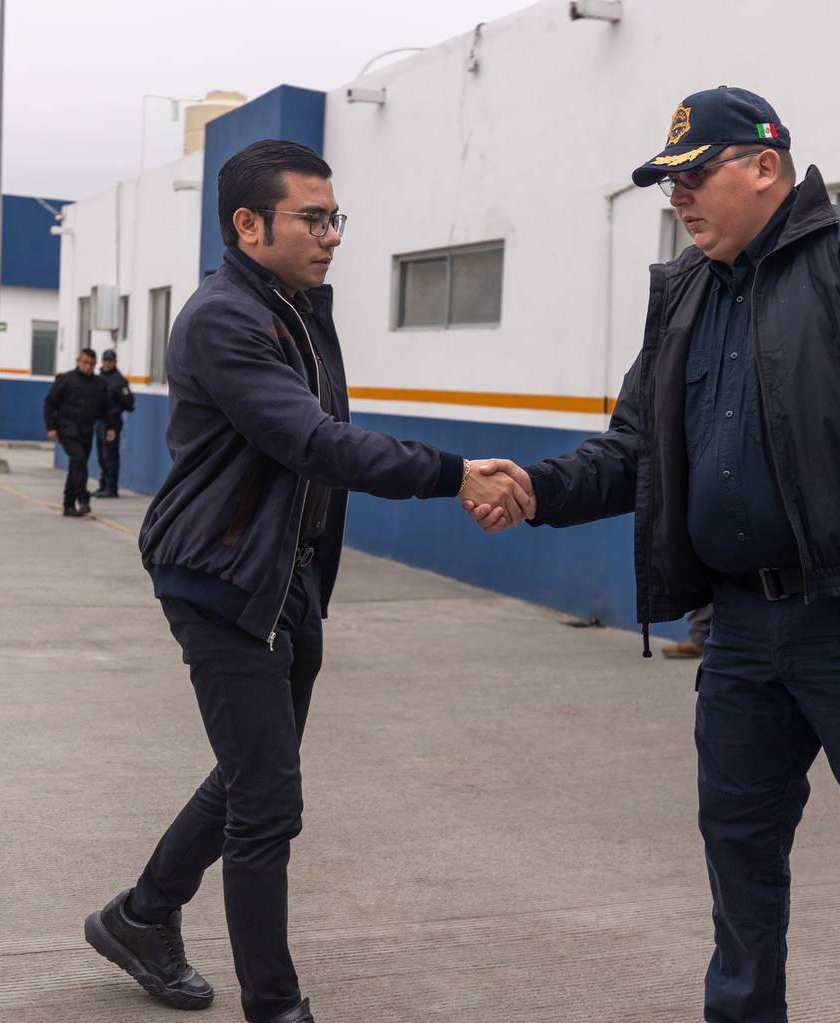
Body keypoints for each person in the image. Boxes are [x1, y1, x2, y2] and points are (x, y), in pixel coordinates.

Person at [468, 87, 840, 1022]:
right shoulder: (684, 294)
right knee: (739, 854)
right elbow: (637, 449)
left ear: (765, 167)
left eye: (693, 176)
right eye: (666, 184)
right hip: (740, 631)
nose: (677, 200)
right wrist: (538, 490)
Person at [82, 140, 532, 1023]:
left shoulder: (296, 308)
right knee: (268, 805)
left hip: (284, 576)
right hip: (219, 573)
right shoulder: (224, 319)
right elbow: (313, 440)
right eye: (313, 219)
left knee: (256, 771)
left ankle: (140, 915)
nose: (331, 235)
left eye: (336, 219)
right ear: (248, 225)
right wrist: (453, 473)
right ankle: (276, 1006)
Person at [44, 347, 116, 517]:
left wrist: (110, 427)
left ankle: (68, 505)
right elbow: (49, 403)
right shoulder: (66, 380)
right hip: (66, 428)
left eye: (91, 364)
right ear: (78, 361)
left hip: (86, 430)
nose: (88, 366)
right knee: (78, 459)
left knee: (77, 464)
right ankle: (83, 499)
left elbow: (107, 408)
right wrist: (51, 428)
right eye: (85, 363)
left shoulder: (99, 384)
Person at [95, 348, 135, 498]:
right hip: (99, 422)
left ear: (115, 362)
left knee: (110, 455)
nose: (107, 363)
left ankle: (111, 488)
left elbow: (129, 403)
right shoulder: (99, 378)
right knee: (101, 455)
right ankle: (103, 485)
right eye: (105, 360)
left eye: (110, 360)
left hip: (111, 423)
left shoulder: (118, 380)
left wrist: (116, 410)